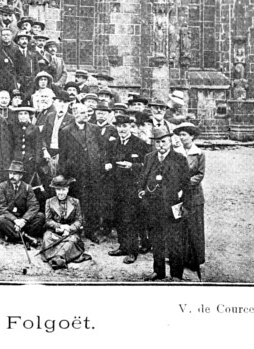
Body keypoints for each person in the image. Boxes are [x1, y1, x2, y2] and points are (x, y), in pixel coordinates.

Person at [138, 126, 190, 281]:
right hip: (153, 206)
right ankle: (158, 271)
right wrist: (141, 190)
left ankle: (176, 275)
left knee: (175, 241)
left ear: (170, 142)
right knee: (156, 240)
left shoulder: (179, 158)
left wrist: (184, 205)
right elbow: (143, 177)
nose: (161, 145)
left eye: (164, 142)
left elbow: (186, 184)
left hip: (172, 205)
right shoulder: (149, 157)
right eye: (158, 142)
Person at [105, 114, 148, 264]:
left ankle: (132, 251)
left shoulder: (140, 144)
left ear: (130, 126)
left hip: (132, 188)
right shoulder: (113, 144)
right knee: (119, 218)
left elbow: (148, 166)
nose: (121, 129)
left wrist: (132, 166)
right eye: (119, 126)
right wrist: (108, 164)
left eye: (124, 126)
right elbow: (109, 160)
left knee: (130, 219)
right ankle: (123, 246)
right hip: (116, 187)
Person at [60, 102, 105, 243]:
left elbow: (101, 150)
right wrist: (65, 174)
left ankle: (92, 231)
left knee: (93, 202)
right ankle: (75, 231)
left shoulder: (95, 129)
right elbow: (63, 155)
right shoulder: (66, 131)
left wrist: (100, 167)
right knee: (77, 202)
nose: (86, 115)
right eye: (82, 113)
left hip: (93, 172)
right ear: (74, 114)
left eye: (87, 112)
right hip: (76, 174)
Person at [41, 175, 91, 270]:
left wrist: (69, 228)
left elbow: (79, 220)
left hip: (70, 233)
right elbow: (48, 220)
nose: (61, 193)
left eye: (63, 190)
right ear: (55, 190)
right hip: (54, 231)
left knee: (72, 241)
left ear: (68, 189)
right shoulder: (49, 202)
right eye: (58, 190)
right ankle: (61, 257)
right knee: (47, 238)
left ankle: (57, 258)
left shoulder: (75, 202)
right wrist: (59, 226)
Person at [175, 122, 205, 278]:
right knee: (179, 227)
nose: (181, 137)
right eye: (180, 135)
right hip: (178, 195)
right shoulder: (176, 152)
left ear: (192, 136)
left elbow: (199, 175)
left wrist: (185, 185)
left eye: (184, 134)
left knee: (195, 228)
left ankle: (194, 260)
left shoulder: (199, 153)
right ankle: (178, 258)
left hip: (194, 196)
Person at [0, 160, 44, 246]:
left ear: (21, 175)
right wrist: (15, 220)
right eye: (10, 173)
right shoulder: (2, 187)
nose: (12, 176)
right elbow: (1, 207)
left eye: (15, 174)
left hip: (23, 220)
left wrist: (24, 220)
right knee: (0, 219)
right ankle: (26, 237)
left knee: (40, 216)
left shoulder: (27, 187)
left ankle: (14, 237)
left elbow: (34, 206)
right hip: (10, 220)